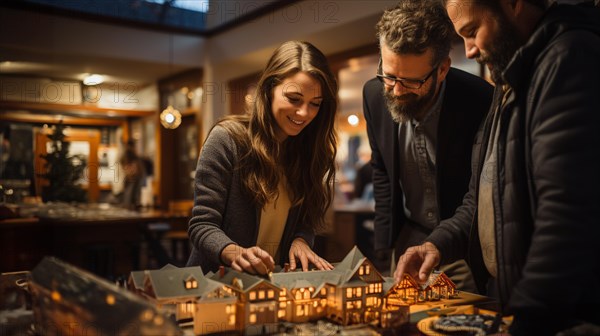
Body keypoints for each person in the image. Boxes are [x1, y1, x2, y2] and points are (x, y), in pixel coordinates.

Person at [395, 1, 600, 334]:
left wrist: (527, 318)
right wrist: (437, 243)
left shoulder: (569, 58)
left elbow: (568, 216)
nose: (470, 50)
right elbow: (481, 199)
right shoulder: (508, 82)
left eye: (472, 31)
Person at [362, 0, 493, 290]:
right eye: (389, 75)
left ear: (442, 69)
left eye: (410, 82)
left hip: (463, 244)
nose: (396, 91)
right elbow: (382, 171)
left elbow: (482, 193)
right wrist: (384, 249)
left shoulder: (479, 99)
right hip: (407, 238)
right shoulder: (373, 94)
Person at [187, 41, 337, 275]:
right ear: (268, 90)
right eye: (294, 99)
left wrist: (301, 240)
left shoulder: (308, 151)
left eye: (315, 104)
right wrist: (235, 252)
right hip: (214, 285)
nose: (304, 113)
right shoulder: (227, 140)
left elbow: (306, 221)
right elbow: (202, 225)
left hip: (273, 284)